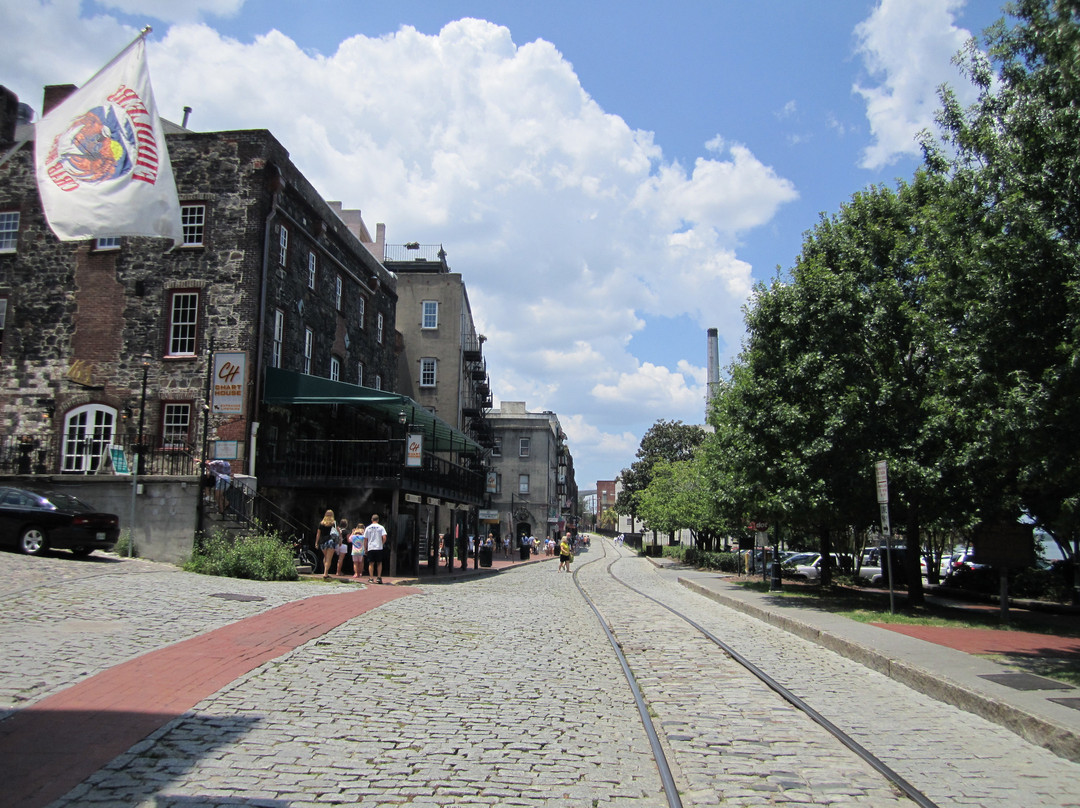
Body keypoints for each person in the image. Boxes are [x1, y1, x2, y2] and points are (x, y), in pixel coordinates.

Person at [363, 513, 387, 584]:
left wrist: (365, 548)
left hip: (371, 547)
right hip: (379, 547)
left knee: (371, 563)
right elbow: (384, 537)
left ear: (371, 519)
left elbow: (365, 539)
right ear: (378, 520)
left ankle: (371, 578)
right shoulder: (381, 527)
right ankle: (379, 577)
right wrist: (381, 543)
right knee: (379, 563)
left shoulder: (368, 528)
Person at [316, 509, 338, 579]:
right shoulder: (333, 523)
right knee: (328, 559)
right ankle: (325, 573)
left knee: (325, 557)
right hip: (331, 541)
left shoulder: (321, 523)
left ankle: (325, 572)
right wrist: (339, 540)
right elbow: (338, 532)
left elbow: (318, 534)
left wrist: (316, 542)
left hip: (323, 542)